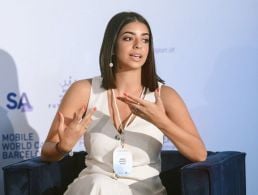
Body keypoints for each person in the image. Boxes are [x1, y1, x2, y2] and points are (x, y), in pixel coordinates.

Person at [41, 11, 207, 195]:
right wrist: (62, 147)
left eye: (145, 40)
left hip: (145, 191)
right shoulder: (83, 90)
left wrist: (162, 121)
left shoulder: (165, 95)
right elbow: (47, 151)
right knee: (99, 184)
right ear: (112, 46)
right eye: (128, 38)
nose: (138, 46)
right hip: (93, 187)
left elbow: (199, 154)